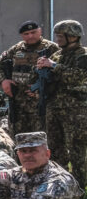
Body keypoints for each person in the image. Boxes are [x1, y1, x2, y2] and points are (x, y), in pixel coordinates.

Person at [36, 19, 87, 189]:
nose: (57, 39)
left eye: (60, 36)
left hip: (76, 110)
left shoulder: (83, 55)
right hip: (54, 107)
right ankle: (61, 184)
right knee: (56, 148)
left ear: (72, 36)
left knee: (77, 149)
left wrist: (53, 66)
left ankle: (79, 186)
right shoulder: (57, 55)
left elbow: (78, 76)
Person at [0, 20, 59, 136]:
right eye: (26, 34)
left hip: (42, 106)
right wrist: (3, 80)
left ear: (40, 31)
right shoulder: (16, 49)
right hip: (18, 104)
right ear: (21, 35)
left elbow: (61, 73)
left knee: (41, 140)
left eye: (33, 32)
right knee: (18, 139)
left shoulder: (52, 48)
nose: (30, 36)